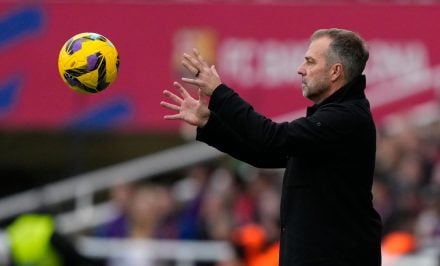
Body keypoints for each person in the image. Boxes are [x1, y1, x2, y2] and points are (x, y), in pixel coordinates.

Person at [160, 28, 382, 266]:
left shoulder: (346, 118)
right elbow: (267, 154)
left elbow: (273, 138)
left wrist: (219, 93)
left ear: (335, 71)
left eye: (309, 61)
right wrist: (210, 123)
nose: (301, 69)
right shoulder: (337, 117)